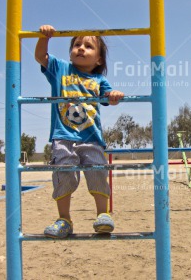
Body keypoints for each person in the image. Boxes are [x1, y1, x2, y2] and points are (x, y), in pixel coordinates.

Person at [35, 24, 124, 238]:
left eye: (88, 46)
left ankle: (103, 215)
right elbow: (40, 56)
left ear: (99, 60)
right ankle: (64, 219)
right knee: (64, 175)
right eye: (77, 44)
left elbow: (109, 98)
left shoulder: (99, 80)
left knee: (98, 173)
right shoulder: (61, 68)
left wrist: (114, 96)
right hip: (63, 136)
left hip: (91, 137)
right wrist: (44, 37)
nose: (81, 48)